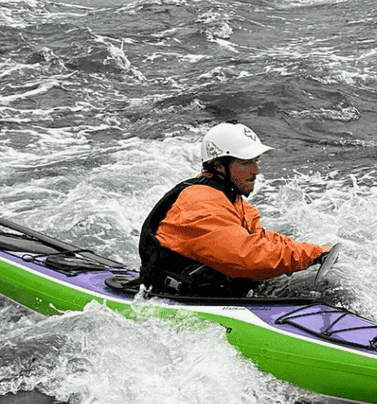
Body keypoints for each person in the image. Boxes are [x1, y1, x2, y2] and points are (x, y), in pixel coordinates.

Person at [138, 122, 332, 297]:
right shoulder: (200, 204)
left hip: (213, 290)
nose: (255, 170)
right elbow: (249, 257)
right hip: (179, 298)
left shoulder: (232, 200)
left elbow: (260, 240)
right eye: (246, 163)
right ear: (219, 166)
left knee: (325, 287)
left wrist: (314, 251)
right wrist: (310, 255)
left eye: (256, 161)